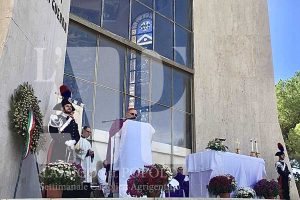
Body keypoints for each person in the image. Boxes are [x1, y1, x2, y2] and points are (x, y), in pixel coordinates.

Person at [105, 108, 138, 196]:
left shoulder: (136, 127)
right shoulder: (119, 122)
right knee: (116, 181)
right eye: (132, 114)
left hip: (129, 158)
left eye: (135, 115)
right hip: (118, 156)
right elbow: (113, 134)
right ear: (127, 114)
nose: (134, 116)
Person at [48, 85, 80, 162]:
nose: (69, 107)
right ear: (62, 108)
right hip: (58, 149)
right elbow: (53, 133)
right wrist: (65, 141)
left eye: (70, 106)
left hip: (69, 151)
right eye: (67, 106)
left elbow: (77, 135)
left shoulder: (73, 122)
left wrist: (74, 141)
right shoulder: (56, 118)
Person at [75, 126, 94, 197]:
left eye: (90, 132)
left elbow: (90, 155)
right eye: (88, 131)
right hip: (81, 167)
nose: (89, 133)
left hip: (88, 168)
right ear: (83, 131)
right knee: (81, 191)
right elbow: (76, 152)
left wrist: (92, 154)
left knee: (87, 191)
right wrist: (87, 153)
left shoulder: (88, 143)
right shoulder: (78, 140)